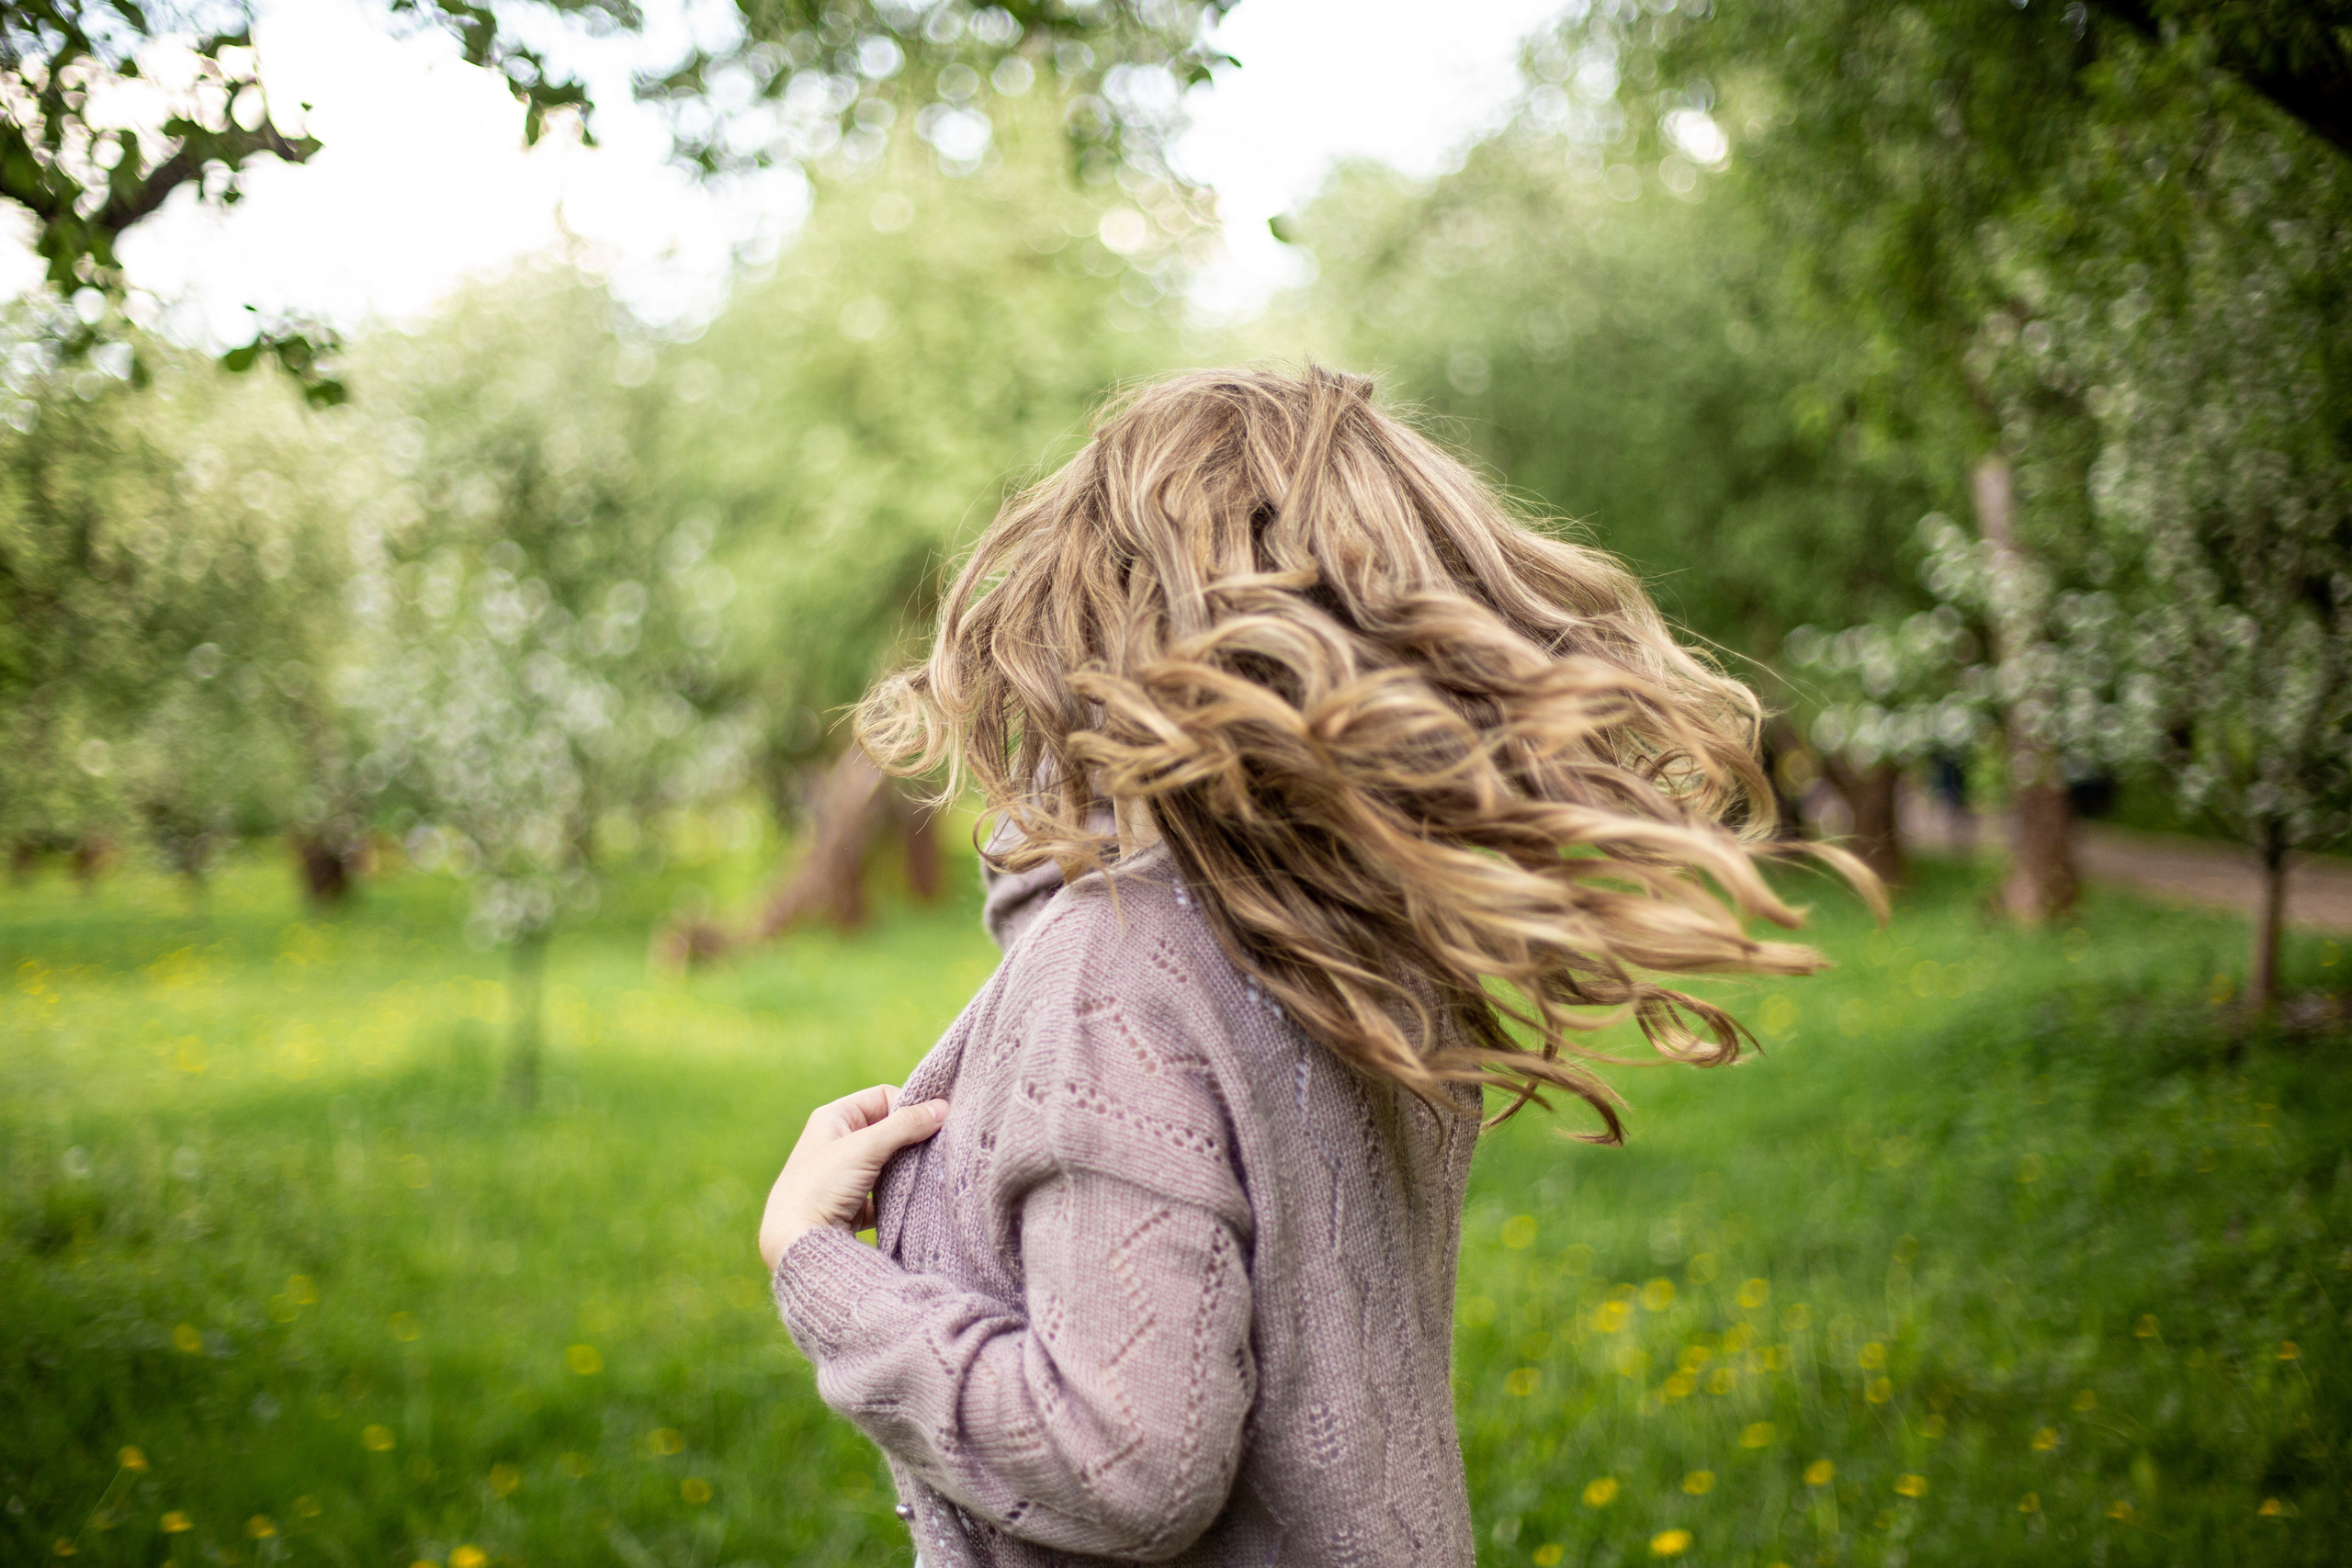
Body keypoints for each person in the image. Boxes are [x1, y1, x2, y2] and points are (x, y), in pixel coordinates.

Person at [756, 367, 1865, 1567]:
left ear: (1088, 627)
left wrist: (819, 1270)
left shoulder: (1120, 975)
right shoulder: (1353, 941)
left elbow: (1124, 1467)